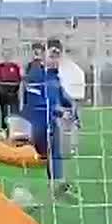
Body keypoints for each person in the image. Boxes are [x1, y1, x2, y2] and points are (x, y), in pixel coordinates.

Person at [22, 40, 79, 202]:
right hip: (35, 124)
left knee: (55, 154)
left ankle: (56, 188)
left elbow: (63, 98)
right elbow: (37, 103)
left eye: (57, 56)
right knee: (30, 158)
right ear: (43, 55)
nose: (54, 59)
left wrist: (73, 114)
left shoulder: (55, 77)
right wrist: (59, 112)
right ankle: (25, 191)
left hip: (51, 124)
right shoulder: (35, 74)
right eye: (51, 55)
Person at [0, 53, 23, 135]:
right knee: (3, 112)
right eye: (5, 56)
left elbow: (19, 80)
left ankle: (15, 129)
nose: (7, 58)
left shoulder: (15, 67)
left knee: (14, 111)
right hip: (2, 92)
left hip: (14, 92)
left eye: (9, 56)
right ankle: (3, 129)